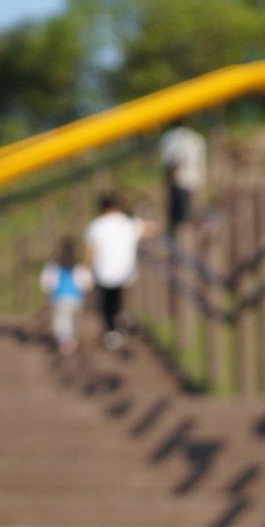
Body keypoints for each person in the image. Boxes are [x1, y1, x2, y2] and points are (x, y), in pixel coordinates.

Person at [83, 192, 147, 351]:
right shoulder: (127, 222)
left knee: (107, 302)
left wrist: (87, 267)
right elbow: (148, 228)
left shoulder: (96, 225)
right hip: (126, 271)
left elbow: (91, 250)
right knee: (119, 299)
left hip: (104, 272)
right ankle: (121, 323)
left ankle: (112, 329)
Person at [38, 237, 93, 355]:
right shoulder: (79, 267)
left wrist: (49, 291)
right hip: (76, 299)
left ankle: (64, 340)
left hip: (59, 298)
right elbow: (87, 283)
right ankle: (70, 339)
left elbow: (46, 282)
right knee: (73, 320)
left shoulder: (54, 267)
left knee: (62, 321)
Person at [158, 123, 207, 235]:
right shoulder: (196, 138)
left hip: (180, 184)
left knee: (181, 221)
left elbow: (171, 164)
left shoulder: (170, 138)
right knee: (187, 219)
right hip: (191, 184)